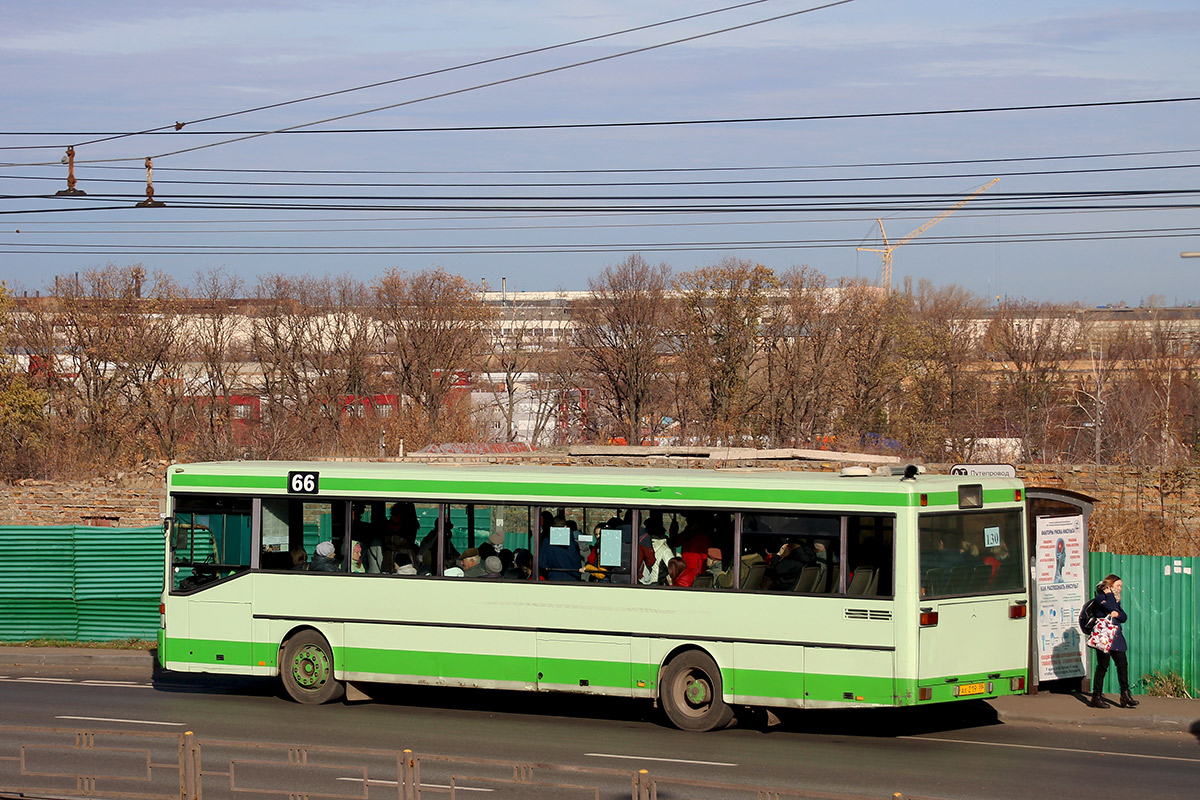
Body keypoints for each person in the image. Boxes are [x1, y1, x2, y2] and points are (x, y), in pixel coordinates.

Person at [1090, 573, 1139, 709]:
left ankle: (1125, 694)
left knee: (1122, 665)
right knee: (1102, 666)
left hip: (1116, 638)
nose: (1120, 589)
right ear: (1110, 586)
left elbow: (1123, 616)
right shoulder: (1100, 598)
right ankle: (1096, 696)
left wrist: (1117, 613)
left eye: (1121, 586)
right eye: (1117, 586)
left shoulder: (1116, 600)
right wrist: (1109, 595)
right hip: (1104, 638)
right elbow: (1111, 608)